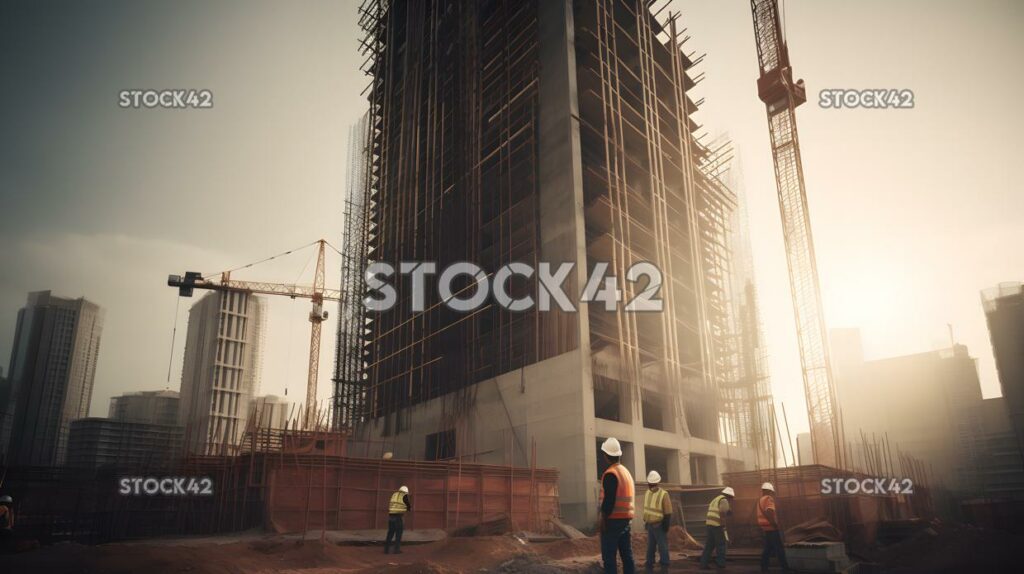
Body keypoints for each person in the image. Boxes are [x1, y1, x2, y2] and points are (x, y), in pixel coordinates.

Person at [598, 437, 635, 574]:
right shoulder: (626, 472)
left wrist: (603, 517)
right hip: (626, 520)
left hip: (612, 520)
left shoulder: (611, 474)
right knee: (626, 554)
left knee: (609, 557)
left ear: (606, 456)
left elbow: (609, 500)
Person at [642, 470, 672, 571]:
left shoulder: (662, 494)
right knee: (656, 546)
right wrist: (646, 521)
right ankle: (657, 563)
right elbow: (667, 512)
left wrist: (666, 523)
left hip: (657, 524)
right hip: (654, 524)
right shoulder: (656, 494)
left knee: (657, 546)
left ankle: (659, 563)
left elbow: (667, 512)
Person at [699, 486, 734, 570]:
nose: (731, 500)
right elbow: (722, 513)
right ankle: (720, 564)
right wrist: (723, 526)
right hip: (717, 525)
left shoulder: (716, 499)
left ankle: (703, 564)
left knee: (709, 545)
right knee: (721, 545)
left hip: (709, 524)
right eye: (731, 498)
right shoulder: (724, 500)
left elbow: (719, 511)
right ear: (729, 496)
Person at [757, 482, 789, 572]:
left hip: (765, 527)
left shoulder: (761, 499)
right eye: (771, 491)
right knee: (779, 548)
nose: (772, 493)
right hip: (771, 527)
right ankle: (785, 568)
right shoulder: (768, 498)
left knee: (768, 548)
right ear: (769, 491)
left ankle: (764, 567)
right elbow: (769, 512)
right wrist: (775, 524)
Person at [384, 485, 410, 554]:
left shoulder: (394, 494)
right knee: (398, 534)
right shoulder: (404, 496)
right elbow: (408, 508)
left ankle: (386, 550)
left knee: (390, 533)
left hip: (391, 516)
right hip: (398, 517)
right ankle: (396, 550)